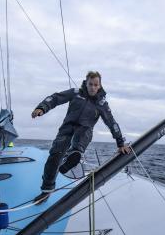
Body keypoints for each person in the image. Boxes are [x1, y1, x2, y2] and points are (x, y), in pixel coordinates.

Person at [31, 71, 131, 204]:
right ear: (86, 83)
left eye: (96, 85)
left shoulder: (102, 104)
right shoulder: (75, 92)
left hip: (84, 131)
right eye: (91, 84)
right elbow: (56, 98)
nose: (93, 87)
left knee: (79, 140)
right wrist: (42, 108)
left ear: (100, 86)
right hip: (66, 129)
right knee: (54, 156)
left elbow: (111, 122)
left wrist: (120, 143)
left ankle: (74, 155)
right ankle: (46, 191)